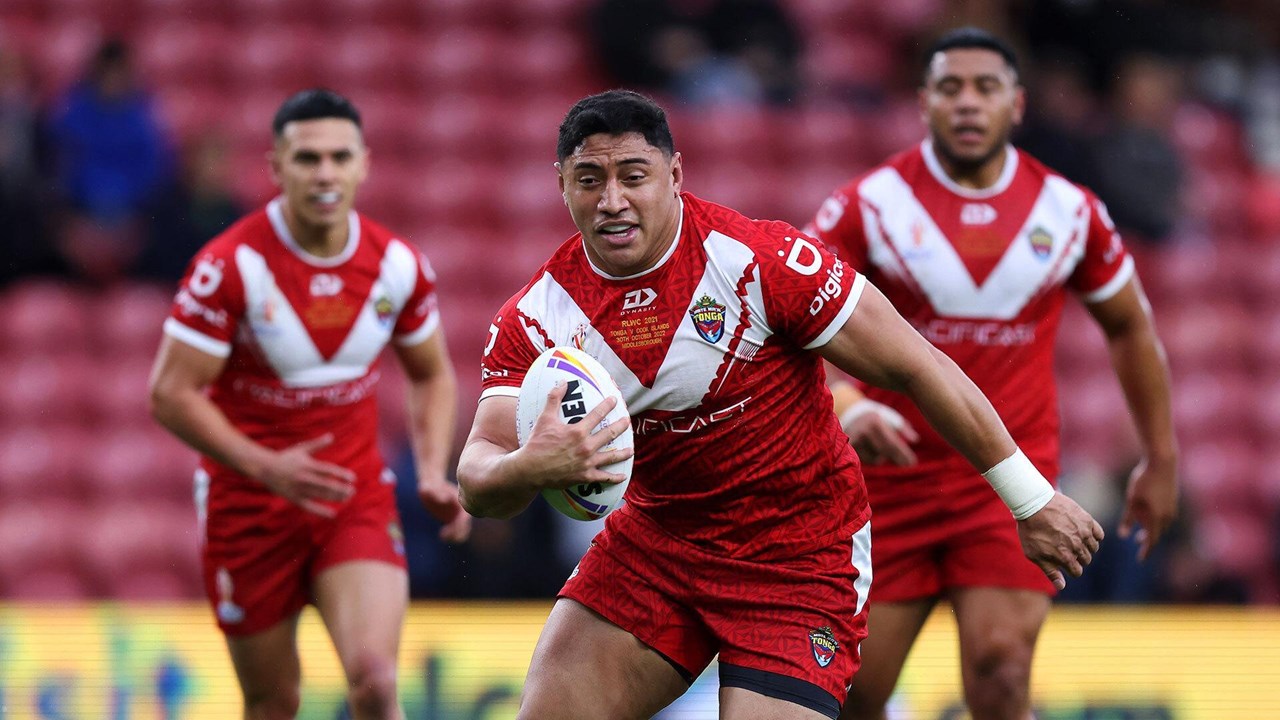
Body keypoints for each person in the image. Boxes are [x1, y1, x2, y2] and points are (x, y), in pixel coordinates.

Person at [455, 89, 1103, 720]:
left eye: (634, 175)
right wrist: (528, 466)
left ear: (675, 175)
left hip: (798, 558)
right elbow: (479, 472)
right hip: (659, 548)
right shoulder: (538, 318)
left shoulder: (760, 262)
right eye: (589, 179)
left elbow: (917, 365)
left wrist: (1029, 498)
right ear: (561, 184)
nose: (613, 200)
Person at [803, 29, 1179, 720]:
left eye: (986, 88)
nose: (968, 103)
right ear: (924, 103)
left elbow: (1130, 325)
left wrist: (1160, 455)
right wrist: (850, 401)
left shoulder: (1068, 212)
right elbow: (795, 319)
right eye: (950, 88)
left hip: (1008, 485)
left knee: (1002, 673)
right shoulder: (870, 204)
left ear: (1018, 104)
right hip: (888, 485)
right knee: (856, 695)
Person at [148, 89, 471, 719]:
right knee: (274, 702)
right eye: (307, 158)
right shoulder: (230, 267)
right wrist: (266, 466)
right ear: (276, 167)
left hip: (350, 499)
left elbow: (431, 374)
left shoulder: (396, 266)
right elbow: (169, 393)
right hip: (249, 508)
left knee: (376, 681)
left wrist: (433, 471)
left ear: (363, 164)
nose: (325, 173)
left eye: (338, 157)